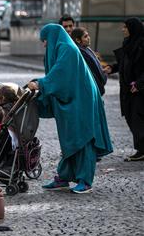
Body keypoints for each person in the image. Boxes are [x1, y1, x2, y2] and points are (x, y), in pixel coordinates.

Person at [27, 24, 113, 193]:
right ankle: (64, 176)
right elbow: (59, 75)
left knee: (83, 137)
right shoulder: (63, 48)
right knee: (71, 139)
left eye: (45, 40)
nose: (44, 45)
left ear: (51, 38)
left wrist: (40, 84)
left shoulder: (67, 49)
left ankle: (85, 180)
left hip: (82, 101)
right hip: (75, 99)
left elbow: (61, 73)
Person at [104, 17, 144, 161]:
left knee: (137, 119)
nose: (123, 29)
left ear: (132, 29)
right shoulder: (129, 43)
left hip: (138, 90)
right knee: (130, 116)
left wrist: (139, 84)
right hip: (128, 89)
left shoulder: (141, 45)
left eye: (125, 27)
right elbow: (124, 62)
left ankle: (142, 150)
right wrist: (112, 68)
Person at [70, 27, 107, 96]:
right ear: (78, 40)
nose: (89, 38)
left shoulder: (86, 49)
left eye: (88, 35)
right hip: (91, 91)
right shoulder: (81, 53)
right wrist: (100, 89)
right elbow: (91, 74)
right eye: (85, 36)